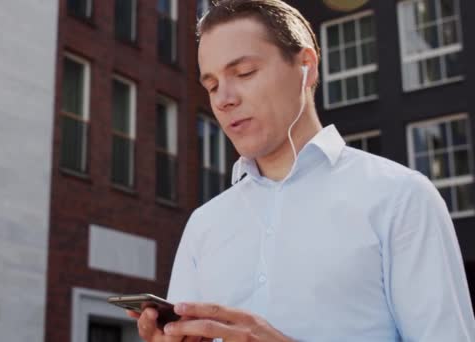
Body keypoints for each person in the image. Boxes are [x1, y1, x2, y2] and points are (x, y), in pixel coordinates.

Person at [127, 0, 475, 340]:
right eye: (212, 86)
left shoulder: (402, 199)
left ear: (307, 67)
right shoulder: (203, 227)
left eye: (244, 73)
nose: (223, 99)